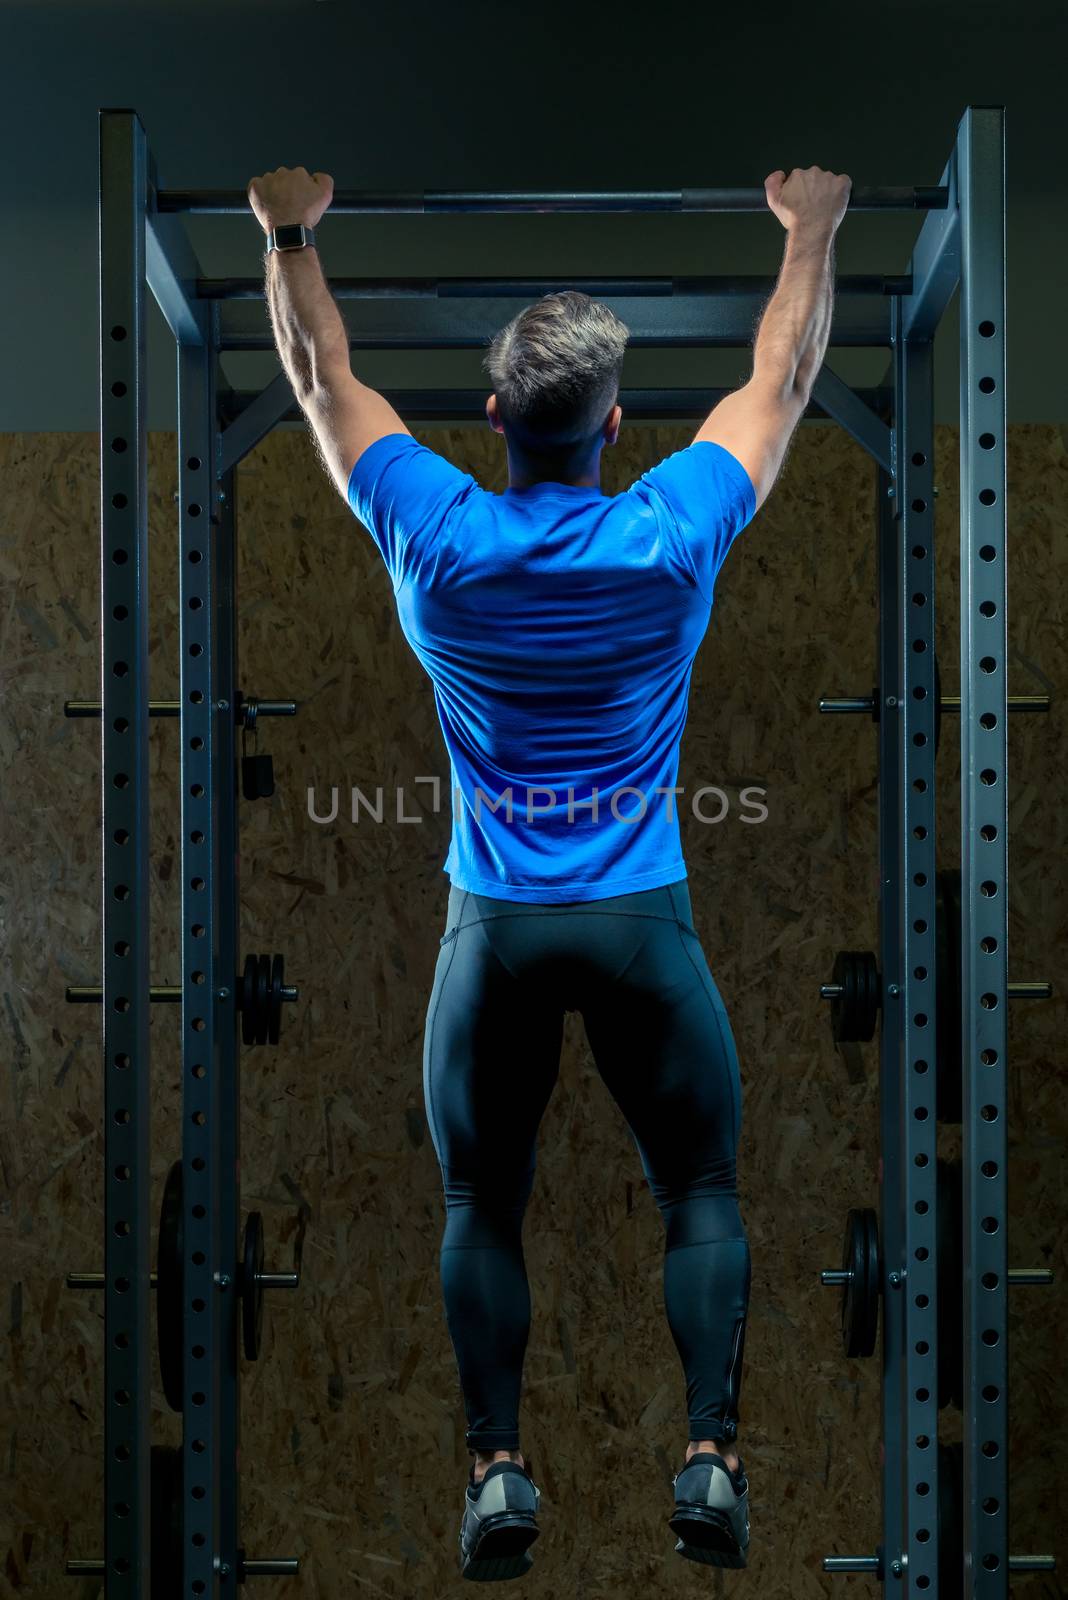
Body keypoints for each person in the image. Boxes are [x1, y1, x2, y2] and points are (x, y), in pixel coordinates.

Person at [248, 162, 851, 1581]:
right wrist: (812, 233)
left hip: (498, 936)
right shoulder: (668, 534)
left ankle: (498, 1472)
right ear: (619, 429)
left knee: (480, 1206)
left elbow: (318, 371)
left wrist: (287, 231)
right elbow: (787, 373)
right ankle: (709, 1451)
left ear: (497, 422)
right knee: (699, 1191)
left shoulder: (439, 540)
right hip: (641, 925)